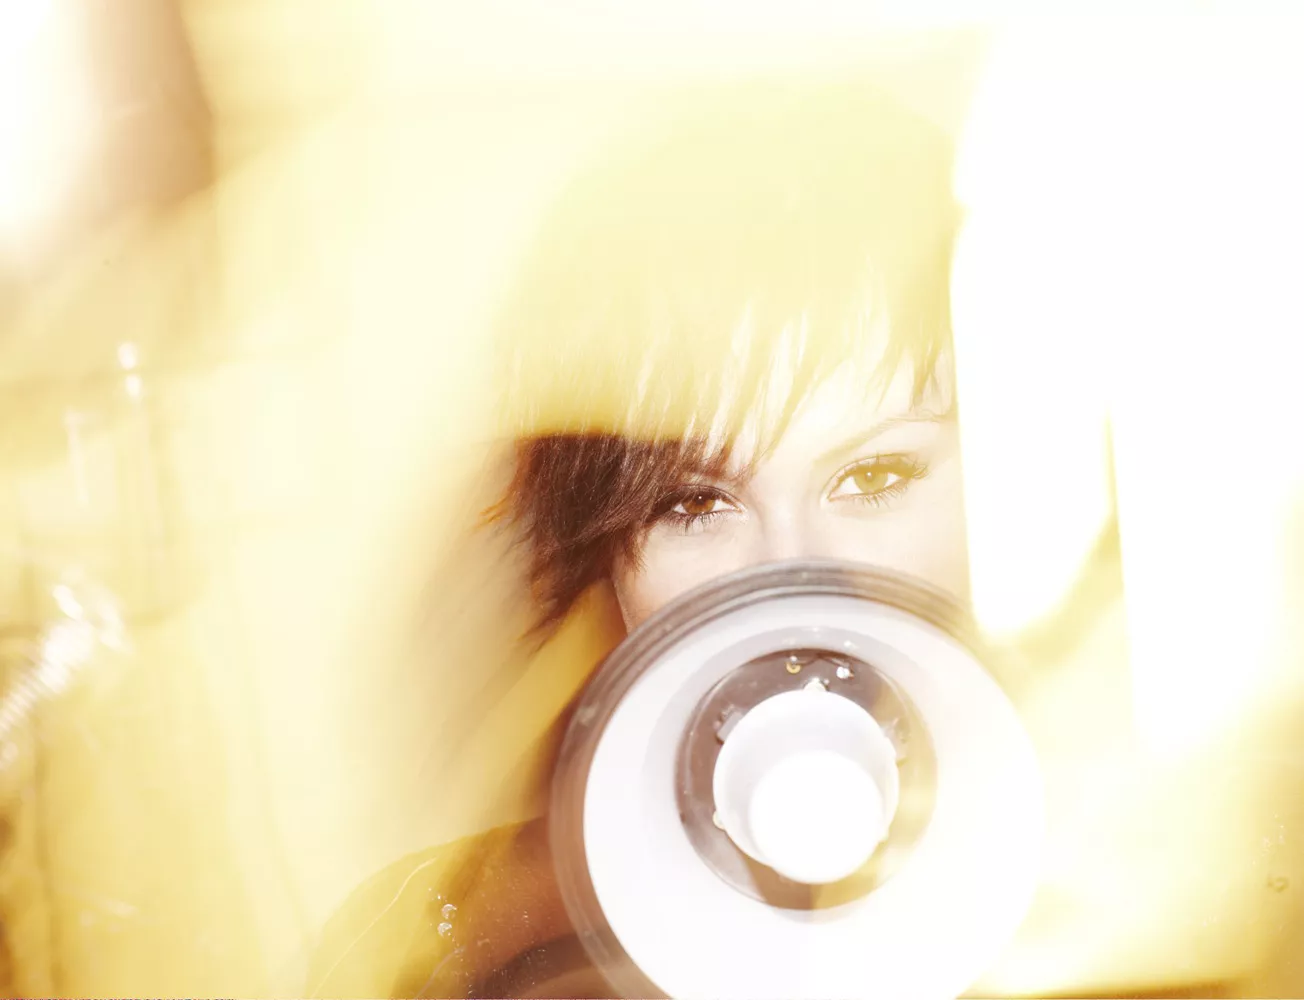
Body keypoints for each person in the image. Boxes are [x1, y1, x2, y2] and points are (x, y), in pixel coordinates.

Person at [308, 75, 972, 998]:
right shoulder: (441, 952)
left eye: (874, 478)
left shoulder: (1151, 920)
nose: (790, 579)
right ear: (607, 559)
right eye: (694, 505)